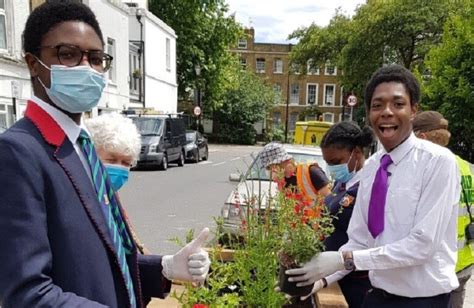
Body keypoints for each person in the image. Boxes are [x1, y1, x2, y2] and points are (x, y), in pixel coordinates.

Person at [0, 2, 209, 307]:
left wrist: (164, 267)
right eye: (68, 54)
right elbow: (27, 294)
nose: (87, 68)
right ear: (33, 63)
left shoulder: (82, 145)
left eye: (96, 58)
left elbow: (103, 261)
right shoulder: (18, 152)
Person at [286, 64, 460, 307]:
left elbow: (422, 246)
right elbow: (359, 239)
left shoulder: (438, 162)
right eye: (377, 105)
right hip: (377, 296)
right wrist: (318, 279)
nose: (386, 112)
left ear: (413, 111)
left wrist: (344, 259)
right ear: (368, 113)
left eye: (398, 104)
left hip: (423, 300)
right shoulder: (372, 167)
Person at [302, 122, 374, 307]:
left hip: (354, 281)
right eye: (328, 163)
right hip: (331, 272)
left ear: (356, 153)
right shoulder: (342, 185)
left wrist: (324, 280)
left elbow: (362, 244)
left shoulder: (368, 189)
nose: (331, 168)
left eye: (336, 162)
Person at [413, 111, 474, 308]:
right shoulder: (467, 167)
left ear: (421, 136)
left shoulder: (432, 168)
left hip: (438, 264)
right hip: (464, 258)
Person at [86, 112, 150, 255]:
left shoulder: (111, 196)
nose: (119, 167)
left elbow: (132, 245)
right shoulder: (83, 197)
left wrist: (166, 264)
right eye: (111, 160)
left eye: (126, 162)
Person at [259, 142, 331, 198]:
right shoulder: (282, 182)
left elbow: (329, 200)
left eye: (269, 167)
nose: (271, 171)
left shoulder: (311, 172)